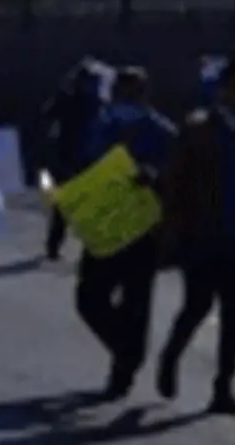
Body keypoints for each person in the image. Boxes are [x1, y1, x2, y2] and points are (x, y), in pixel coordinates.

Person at [157, 55, 235, 415]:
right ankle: (171, 356)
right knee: (197, 307)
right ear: (223, 90)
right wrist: (172, 233)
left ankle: (223, 387)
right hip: (201, 234)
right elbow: (174, 184)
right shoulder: (197, 129)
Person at [75, 66, 175, 400]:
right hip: (104, 222)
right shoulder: (102, 124)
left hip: (141, 227)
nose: (126, 97)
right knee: (89, 299)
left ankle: (123, 372)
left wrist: (155, 175)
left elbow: (178, 173)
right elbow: (83, 161)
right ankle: (126, 349)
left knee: (136, 301)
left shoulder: (160, 131)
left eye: (133, 91)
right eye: (122, 91)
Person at [38, 60, 105, 261]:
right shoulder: (87, 102)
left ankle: (56, 245)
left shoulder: (76, 100)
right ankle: (58, 245)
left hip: (74, 155)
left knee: (68, 205)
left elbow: (46, 115)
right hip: (76, 155)